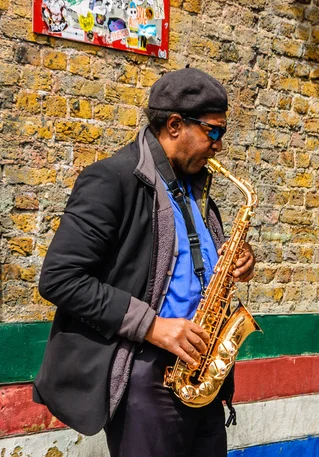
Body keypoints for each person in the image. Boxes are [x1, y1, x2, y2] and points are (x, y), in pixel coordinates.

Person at [33, 67, 256, 457]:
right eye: (213, 131)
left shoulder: (197, 188)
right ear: (174, 125)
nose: (219, 145)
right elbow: (59, 278)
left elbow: (198, 264)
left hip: (201, 376)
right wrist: (152, 326)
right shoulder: (111, 179)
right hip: (145, 373)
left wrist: (240, 261)